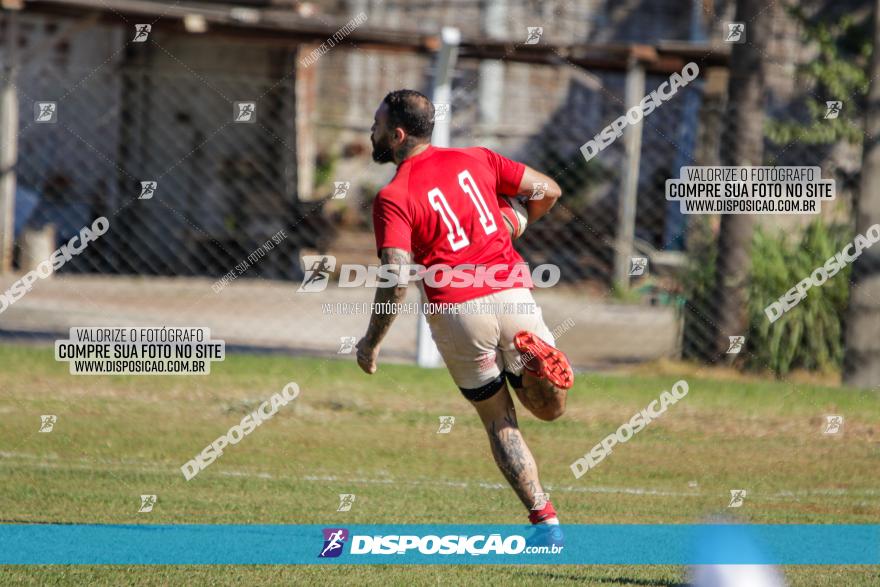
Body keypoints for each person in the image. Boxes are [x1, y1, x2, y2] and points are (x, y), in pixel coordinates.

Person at [355, 89, 573, 529]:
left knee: (499, 421)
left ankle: (543, 517)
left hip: (456, 311)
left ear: (397, 135)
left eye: (377, 126)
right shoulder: (479, 159)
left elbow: (396, 281)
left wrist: (370, 343)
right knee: (551, 410)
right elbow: (550, 190)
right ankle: (527, 369)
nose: (371, 132)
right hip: (512, 292)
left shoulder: (394, 195)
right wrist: (516, 221)